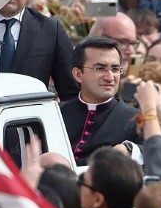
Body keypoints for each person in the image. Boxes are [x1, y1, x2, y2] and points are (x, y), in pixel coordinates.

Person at [59, 37, 142, 165]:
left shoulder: (135, 118)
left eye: (115, 69)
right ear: (78, 74)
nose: (110, 77)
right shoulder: (57, 113)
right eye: (100, 68)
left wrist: (129, 149)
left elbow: (153, 153)